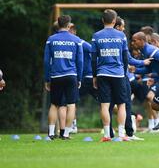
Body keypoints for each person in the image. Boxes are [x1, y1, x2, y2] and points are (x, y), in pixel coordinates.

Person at [91, 9, 129, 142]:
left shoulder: (96, 36)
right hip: (119, 74)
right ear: (114, 21)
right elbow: (125, 57)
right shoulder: (121, 36)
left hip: (102, 73)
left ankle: (107, 135)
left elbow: (93, 58)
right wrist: (124, 73)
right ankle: (121, 134)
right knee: (122, 105)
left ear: (102, 20)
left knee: (104, 105)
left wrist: (94, 76)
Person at [43, 15, 83, 140]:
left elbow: (46, 61)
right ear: (69, 24)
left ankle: (50, 133)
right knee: (71, 105)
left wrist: (47, 78)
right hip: (71, 75)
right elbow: (80, 61)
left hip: (56, 75)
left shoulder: (51, 39)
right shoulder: (76, 40)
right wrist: (79, 78)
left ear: (58, 24)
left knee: (54, 104)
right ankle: (65, 133)